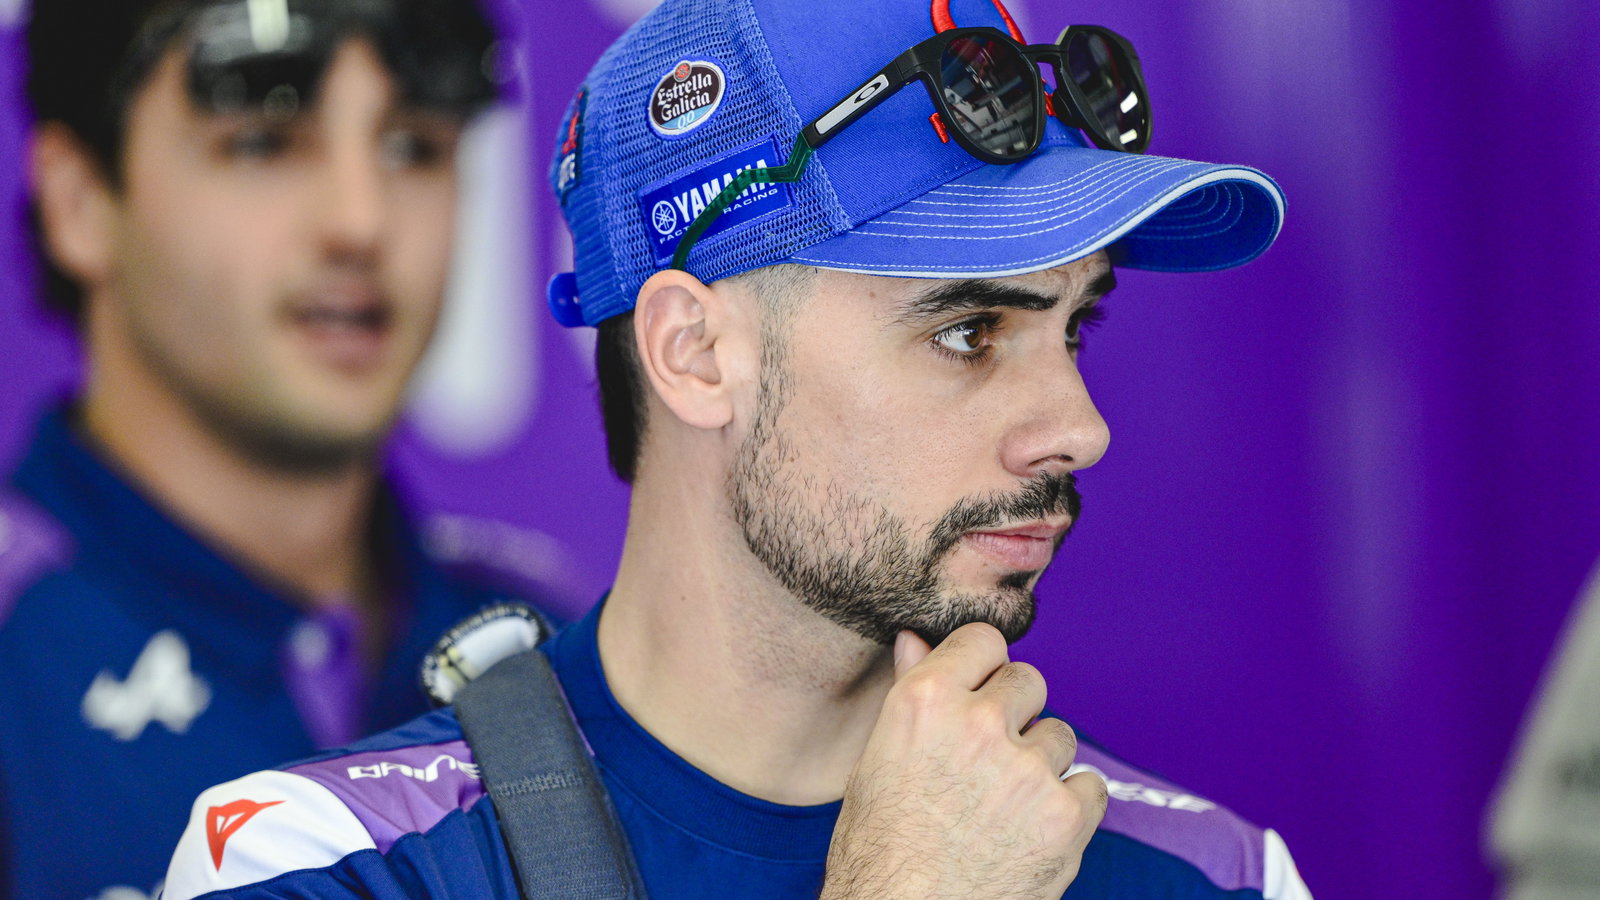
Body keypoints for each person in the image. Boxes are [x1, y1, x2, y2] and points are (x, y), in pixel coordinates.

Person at [160, 0, 1313, 896]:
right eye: (968, 331)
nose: (1079, 428)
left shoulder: (1217, 875)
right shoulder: (324, 864)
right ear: (696, 354)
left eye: (1075, 327)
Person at [0, 1, 551, 898]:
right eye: (264, 142)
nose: (361, 220)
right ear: (79, 200)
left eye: (414, 146)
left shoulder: (550, 650)